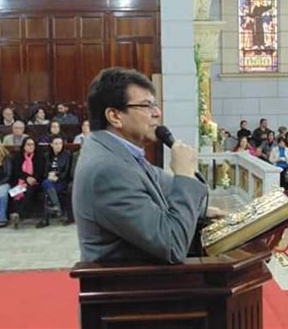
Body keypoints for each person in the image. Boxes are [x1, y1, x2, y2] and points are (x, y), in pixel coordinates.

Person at [73, 68, 224, 264]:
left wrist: (202, 210)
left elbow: (166, 188)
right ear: (115, 116)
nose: (157, 113)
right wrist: (185, 174)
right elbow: (173, 245)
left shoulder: (119, 153)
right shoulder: (108, 169)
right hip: (134, 287)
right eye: (147, 105)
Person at [36, 136, 71, 228]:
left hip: (61, 182)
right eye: (56, 143)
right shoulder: (46, 156)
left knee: (48, 192)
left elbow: (66, 172)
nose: (58, 146)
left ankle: (46, 219)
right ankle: (58, 207)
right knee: (46, 183)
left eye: (60, 143)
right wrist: (49, 175)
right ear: (51, 145)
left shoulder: (67, 155)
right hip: (49, 180)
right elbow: (43, 172)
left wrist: (57, 177)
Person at [10, 137, 45, 228]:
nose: (30, 146)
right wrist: (26, 178)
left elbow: (40, 172)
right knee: (14, 191)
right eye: (28, 144)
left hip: (36, 183)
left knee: (28, 190)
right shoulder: (18, 157)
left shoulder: (39, 156)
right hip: (21, 181)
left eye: (32, 144)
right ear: (24, 146)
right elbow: (16, 171)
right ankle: (15, 214)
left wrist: (32, 179)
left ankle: (19, 214)